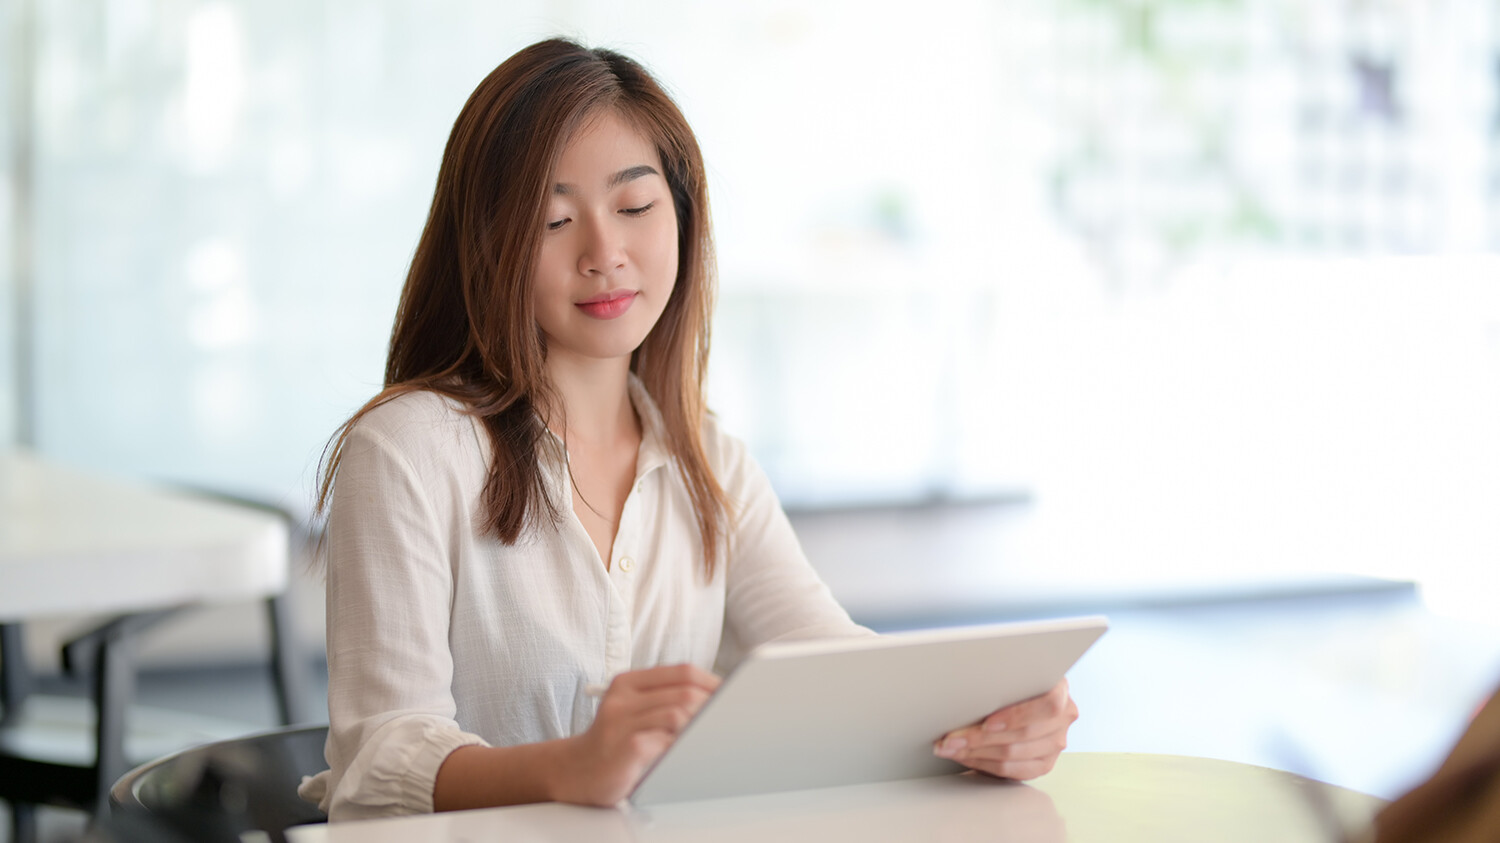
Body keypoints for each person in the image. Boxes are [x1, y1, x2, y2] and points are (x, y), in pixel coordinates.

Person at [297, 37, 1078, 821]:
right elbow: (382, 759)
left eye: (635, 208)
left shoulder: (710, 463)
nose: (605, 254)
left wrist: (994, 718)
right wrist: (573, 766)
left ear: (682, 217)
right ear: (487, 244)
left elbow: (833, 667)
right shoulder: (408, 451)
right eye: (554, 220)